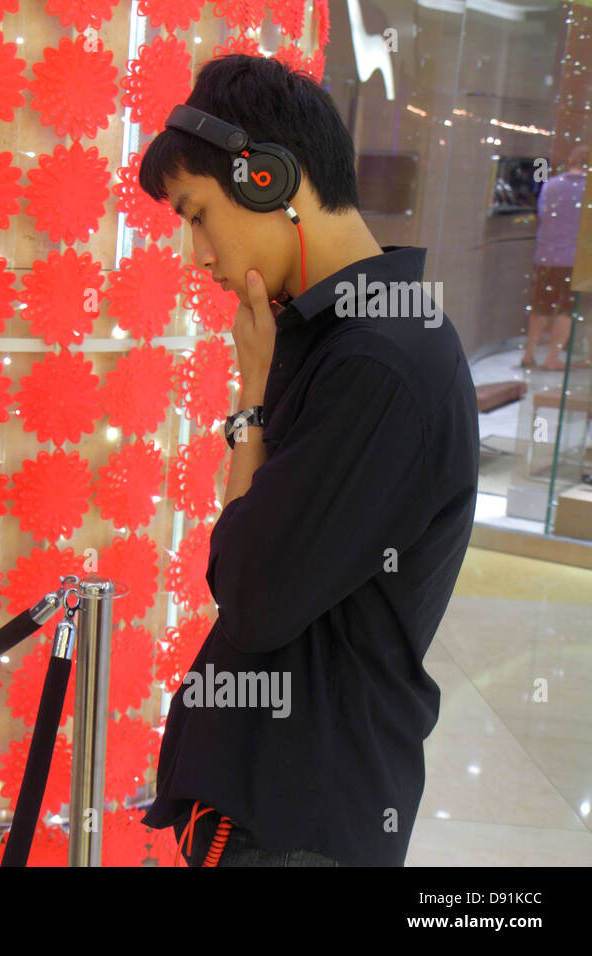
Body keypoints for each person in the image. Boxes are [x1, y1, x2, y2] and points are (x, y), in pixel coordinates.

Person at [136, 54, 479, 867]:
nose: (196, 255)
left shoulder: (378, 364)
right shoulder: (342, 336)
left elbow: (246, 592)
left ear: (266, 179)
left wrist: (252, 398)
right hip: (280, 796)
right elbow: (249, 557)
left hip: (302, 820)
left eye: (197, 214)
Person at [521, 144, 590, 370]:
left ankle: (529, 354)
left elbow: (543, 215)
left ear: (570, 161)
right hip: (575, 260)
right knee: (566, 310)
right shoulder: (588, 190)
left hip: (547, 256)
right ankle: (553, 357)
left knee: (540, 306)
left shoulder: (550, 186)